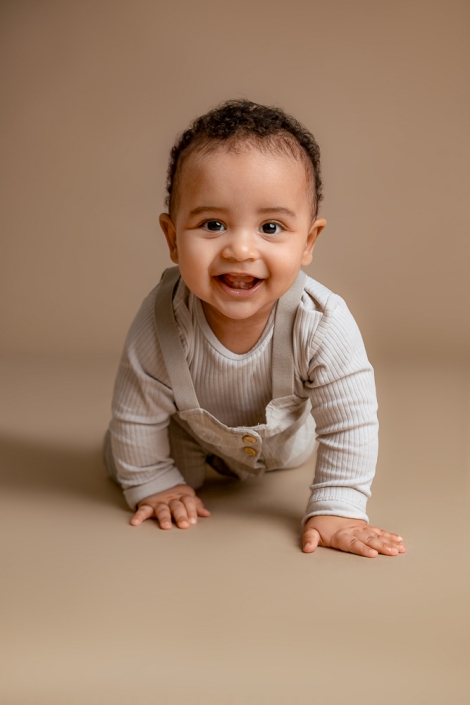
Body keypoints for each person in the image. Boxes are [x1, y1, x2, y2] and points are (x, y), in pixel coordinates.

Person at [104, 99, 406, 558]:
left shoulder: (322, 322)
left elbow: (350, 421)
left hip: (284, 447)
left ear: (308, 242)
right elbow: (136, 410)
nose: (240, 249)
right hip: (185, 442)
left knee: (309, 446)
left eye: (270, 226)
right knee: (124, 453)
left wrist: (338, 505)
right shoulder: (161, 320)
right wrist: (151, 481)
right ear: (172, 238)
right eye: (213, 224)